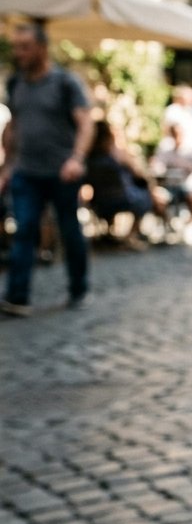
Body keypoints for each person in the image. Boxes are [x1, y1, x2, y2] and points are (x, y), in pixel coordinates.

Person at [0, 23, 94, 316]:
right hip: (26, 172)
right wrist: (6, 167)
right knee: (25, 229)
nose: (19, 53)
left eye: (25, 47)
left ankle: (78, 287)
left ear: (42, 47)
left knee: (69, 229)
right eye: (16, 47)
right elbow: (13, 127)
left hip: (62, 172)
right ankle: (17, 296)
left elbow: (86, 123)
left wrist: (76, 158)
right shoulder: (15, 84)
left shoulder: (66, 83)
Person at [84, 119, 166, 246]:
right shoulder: (118, 156)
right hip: (123, 198)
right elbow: (139, 175)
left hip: (99, 201)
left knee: (150, 194)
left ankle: (112, 234)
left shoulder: (87, 159)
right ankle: (132, 234)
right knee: (149, 196)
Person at [151, 118, 192, 245]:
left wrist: (189, 167)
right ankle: (168, 226)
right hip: (170, 185)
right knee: (156, 198)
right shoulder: (165, 147)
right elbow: (156, 164)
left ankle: (191, 224)